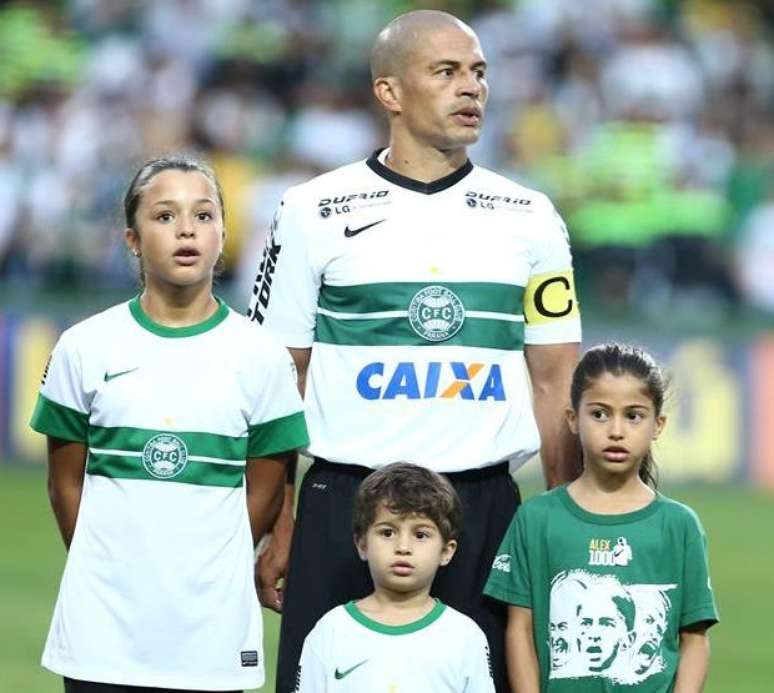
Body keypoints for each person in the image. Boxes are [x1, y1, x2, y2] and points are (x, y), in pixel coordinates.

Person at [246, 10, 581, 692]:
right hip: (346, 503)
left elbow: (555, 383)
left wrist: (564, 528)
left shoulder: (531, 216)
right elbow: (279, 378)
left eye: (479, 73)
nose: (471, 89)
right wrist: (282, 521)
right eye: (447, 72)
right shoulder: (312, 209)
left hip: (485, 506)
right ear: (389, 92)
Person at [29, 156, 310, 693]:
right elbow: (64, 479)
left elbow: (268, 487)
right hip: (101, 631)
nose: (186, 229)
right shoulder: (84, 346)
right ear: (132, 239)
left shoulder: (260, 356)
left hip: (211, 628)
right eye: (164, 216)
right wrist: (105, 568)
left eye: (203, 216)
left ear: (223, 234)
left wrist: (207, 567)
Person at [484, 343, 719, 691]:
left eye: (633, 415)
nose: (616, 430)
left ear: (659, 424)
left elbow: (694, 639)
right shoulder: (536, 519)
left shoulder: (679, 525)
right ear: (572, 419)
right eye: (599, 414)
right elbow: (519, 629)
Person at [293, 462, 495, 692]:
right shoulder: (331, 631)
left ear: (447, 551)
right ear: (362, 544)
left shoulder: (465, 637)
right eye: (387, 532)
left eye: (420, 535)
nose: (403, 547)